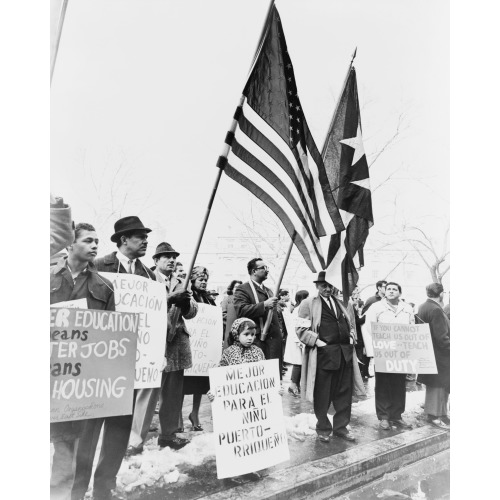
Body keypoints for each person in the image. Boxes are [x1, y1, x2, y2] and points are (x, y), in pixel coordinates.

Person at [72, 216, 155, 500]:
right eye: (140, 236)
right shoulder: (98, 265)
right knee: (87, 431)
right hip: (96, 363)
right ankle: (77, 487)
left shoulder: (150, 275)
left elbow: (152, 321)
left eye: (146, 236)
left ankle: (104, 486)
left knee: (119, 430)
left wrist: (157, 351)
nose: (145, 241)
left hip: (130, 364)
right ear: (123, 240)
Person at [50, 223, 115, 500]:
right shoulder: (44, 279)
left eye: (97, 241)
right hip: (47, 377)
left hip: (79, 383)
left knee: (71, 450)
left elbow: (111, 337)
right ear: (69, 245)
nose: (95, 246)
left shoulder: (104, 286)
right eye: (88, 240)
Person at [126, 242, 197, 456]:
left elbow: (192, 312)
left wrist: (185, 304)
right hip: (155, 341)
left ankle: (168, 435)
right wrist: (168, 301)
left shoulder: (182, 282)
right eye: (166, 257)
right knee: (148, 393)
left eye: (174, 256)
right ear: (156, 260)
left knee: (173, 394)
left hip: (177, 343)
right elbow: (142, 306)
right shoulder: (146, 278)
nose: (172, 260)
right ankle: (135, 440)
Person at [297, 272, 358, 443]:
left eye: (330, 285)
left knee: (344, 395)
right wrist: (318, 343)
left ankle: (341, 428)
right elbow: (301, 330)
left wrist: (352, 336)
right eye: (324, 285)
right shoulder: (308, 304)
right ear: (317, 285)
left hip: (344, 355)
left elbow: (351, 324)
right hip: (324, 356)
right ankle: (323, 428)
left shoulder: (343, 303)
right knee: (323, 394)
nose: (328, 289)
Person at [365, 282, 415, 431]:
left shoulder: (407, 308)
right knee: (383, 384)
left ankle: (397, 415)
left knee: (399, 383)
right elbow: (369, 326)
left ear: (400, 293)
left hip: (401, 351)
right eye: (389, 289)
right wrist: (381, 341)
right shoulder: (376, 307)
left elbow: (412, 326)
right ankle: (384, 417)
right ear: (384, 292)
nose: (391, 291)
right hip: (384, 350)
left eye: (395, 289)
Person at [208, 318, 283, 400]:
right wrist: (214, 391)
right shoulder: (229, 352)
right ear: (236, 334)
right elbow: (220, 375)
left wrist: (275, 388)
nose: (250, 338)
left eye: (252, 334)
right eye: (246, 334)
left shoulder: (258, 351)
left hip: (255, 398)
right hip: (236, 399)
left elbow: (266, 375)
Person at [178, 266, 215, 432]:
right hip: (189, 344)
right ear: (193, 280)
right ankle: (177, 416)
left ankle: (195, 413)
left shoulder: (208, 299)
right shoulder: (188, 296)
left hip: (203, 351)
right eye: (201, 279)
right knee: (182, 384)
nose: (204, 282)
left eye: (205, 280)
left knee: (200, 385)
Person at [233, 258, 283, 376]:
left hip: (273, 342)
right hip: (257, 341)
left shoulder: (269, 291)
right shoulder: (243, 289)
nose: (267, 271)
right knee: (257, 378)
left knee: (271, 378)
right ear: (254, 271)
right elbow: (241, 310)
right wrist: (264, 305)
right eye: (263, 268)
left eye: (267, 268)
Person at [416, 283, 450, 430]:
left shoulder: (423, 306)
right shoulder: (436, 309)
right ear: (441, 294)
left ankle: (440, 414)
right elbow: (442, 338)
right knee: (438, 386)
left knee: (436, 385)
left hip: (429, 353)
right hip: (439, 355)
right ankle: (435, 416)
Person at [283, 290, 309, 397]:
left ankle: (296, 385)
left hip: (298, 340)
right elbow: (294, 327)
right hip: (297, 340)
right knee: (298, 363)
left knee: (299, 363)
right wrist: (299, 341)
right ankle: (293, 386)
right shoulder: (298, 310)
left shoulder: (298, 309)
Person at [221, 279, 243, 345]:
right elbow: (223, 314)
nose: (237, 289)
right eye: (236, 287)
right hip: (228, 328)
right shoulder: (226, 299)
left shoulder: (243, 300)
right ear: (232, 289)